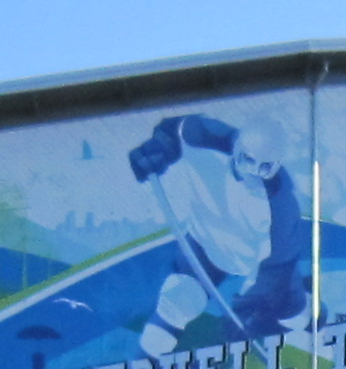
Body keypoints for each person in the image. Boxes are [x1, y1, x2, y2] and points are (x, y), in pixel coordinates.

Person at [129, 113, 310, 355]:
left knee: (291, 314)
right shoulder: (203, 136)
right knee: (179, 300)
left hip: (255, 264)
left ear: (277, 164)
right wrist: (161, 148)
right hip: (205, 245)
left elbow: (278, 265)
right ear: (236, 146)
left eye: (266, 167)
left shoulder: (281, 203)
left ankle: (318, 327)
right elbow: (173, 128)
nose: (254, 172)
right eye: (248, 160)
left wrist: (258, 303)